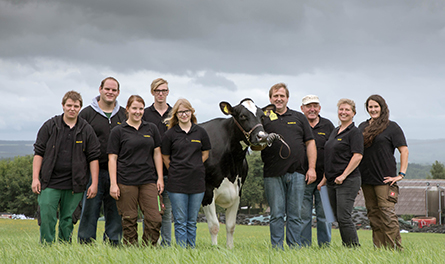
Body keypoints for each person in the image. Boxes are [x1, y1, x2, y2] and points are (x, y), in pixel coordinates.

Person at [32, 91, 100, 244]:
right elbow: (38, 153)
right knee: (47, 216)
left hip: (75, 184)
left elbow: (93, 157)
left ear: (80, 108)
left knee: (68, 219)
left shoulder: (86, 129)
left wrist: (94, 183)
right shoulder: (50, 125)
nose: (72, 109)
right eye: (69, 105)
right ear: (63, 106)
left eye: (76, 106)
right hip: (49, 182)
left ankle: (64, 248)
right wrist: (35, 178)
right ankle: (47, 247)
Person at [261, 83, 317, 249]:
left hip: (298, 172)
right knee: (276, 214)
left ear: (287, 98)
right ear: (270, 98)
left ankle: (294, 248)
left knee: (295, 214)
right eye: (275, 96)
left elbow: (310, 142)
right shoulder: (263, 118)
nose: (279, 99)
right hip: (272, 173)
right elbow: (254, 144)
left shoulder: (299, 117)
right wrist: (264, 139)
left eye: (282, 96)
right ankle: (277, 248)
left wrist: (312, 168)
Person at [108, 95, 164, 246]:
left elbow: (157, 153)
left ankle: (147, 248)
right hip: (126, 181)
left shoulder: (151, 128)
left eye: (140, 109)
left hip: (148, 180)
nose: (137, 112)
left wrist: (160, 178)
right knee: (129, 219)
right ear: (127, 109)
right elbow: (112, 158)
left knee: (155, 218)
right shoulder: (118, 131)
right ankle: (131, 250)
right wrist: (113, 184)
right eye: (134, 108)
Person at [77, 77, 125, 245]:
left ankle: (114, 242)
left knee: (116, 209)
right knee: (90, 208)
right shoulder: (86, 114)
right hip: (93, 171)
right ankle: (85, 242)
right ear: (100, 89)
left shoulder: (124, 114)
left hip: (117, 171)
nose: (110, 92)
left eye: (114, 90)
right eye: (107, 89)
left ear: (118, 92)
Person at [359, 94, 408, 250]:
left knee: (387, 216)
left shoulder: (391, 127)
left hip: (385, 179)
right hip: (366, 179)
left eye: (376, 106)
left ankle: (395, 250)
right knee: (373, 216)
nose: (373, 109)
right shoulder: (362, 127)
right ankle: (379, 249)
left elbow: (404, 150)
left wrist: (401, 174)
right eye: (370, 107)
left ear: (382, 107)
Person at [161, 98, 211, 248]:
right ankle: (182, 252)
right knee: (181, 221)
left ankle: (191, 250)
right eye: (180, 112)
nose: (184, 115)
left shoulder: (201, 132)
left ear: (191, 112)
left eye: (186, 111)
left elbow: (205, 153)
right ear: (176, 115)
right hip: (177, 183)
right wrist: (176, 169)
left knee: (191, 221)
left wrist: (194, 166)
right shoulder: (170, 134)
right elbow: (165, 156)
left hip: (197, 183)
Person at [324, 98, 363, 247]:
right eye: (341, 109)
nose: (343, 112)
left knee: (344, 217)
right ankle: (347, 246)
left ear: (353, 113)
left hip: (347, 180)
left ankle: (354, 248)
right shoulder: (335, 131)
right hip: (332, 181)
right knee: (339, 218)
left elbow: (357, 156)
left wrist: (344, 175)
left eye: (347, 110)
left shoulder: (355, 132)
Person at [300, 95, 335, 247]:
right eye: (308, 106)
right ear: (302, 109)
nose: (312, 109)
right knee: (303, 215)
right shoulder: (298, 124)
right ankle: (304, 246)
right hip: (302, 177)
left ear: (319, 108)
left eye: (315, 106)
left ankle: (325, 247)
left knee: (325, 215)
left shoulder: (328, 126)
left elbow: (335, 152)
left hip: (325, 179)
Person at [142, 78, 173, 247]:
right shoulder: (145, 114)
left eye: (164, 90)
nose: (161, 94)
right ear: (152, 92)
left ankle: (166, 244)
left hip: (170, 171)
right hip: (148, 171)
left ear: (168, 92)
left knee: (166, 211)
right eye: (157, 91)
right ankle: (149, 243)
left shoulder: (175, 113)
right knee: (150, 211)